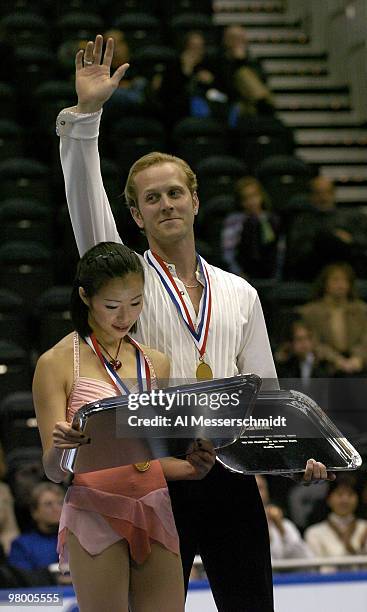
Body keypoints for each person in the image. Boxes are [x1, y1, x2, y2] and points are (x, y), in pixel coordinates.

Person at [56, 35, 335, 611]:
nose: (166, 205)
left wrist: (298, 451)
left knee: (252, 604)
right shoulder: (126, 278)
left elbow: (266, 393)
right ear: (135, 214)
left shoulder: (240, 293)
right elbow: (86, 208)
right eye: (151, 199)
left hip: (231, 470)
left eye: (175, 193)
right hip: (156, 469)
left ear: (196, 201)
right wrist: (86, 119)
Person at [33, 241, 215, 612]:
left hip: (153, 505)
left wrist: (191, 468)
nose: (125, 316)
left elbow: (143, 458)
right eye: (112, 306)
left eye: (136, 303)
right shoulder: (56, 362)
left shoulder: (155, 364)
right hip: (94, 508)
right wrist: (62, 448)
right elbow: (53, 471)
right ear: (85, 297)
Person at [285, 176, 367, 280]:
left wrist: (349, 239)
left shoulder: (352, 217)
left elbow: (363, 241)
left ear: (333, 194)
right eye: (318, 193)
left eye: (327, 192)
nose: (323, 197)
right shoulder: (302, 221)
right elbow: (298, 251)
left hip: (347, 264)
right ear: (311, 196)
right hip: (314, 268)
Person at [297, 263, 367, 375]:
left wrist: (358, 358)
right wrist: (335, 359)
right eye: (335, 280)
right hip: (324, 368)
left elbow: (365, 339)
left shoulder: (362, 310)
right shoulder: (310, 312)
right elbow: (312, 341)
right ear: (325, 283)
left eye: (345, 280)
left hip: (359, 367)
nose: (341, 285)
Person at [221, 176, 280, 278]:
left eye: (254, 196)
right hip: (242, 275)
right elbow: (228, 253)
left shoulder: (272, 219)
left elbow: (279, 251)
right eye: (246, 198)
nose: (252, 201)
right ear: (240, 202)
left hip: (270, 274)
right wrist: (238, 274)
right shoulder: (234, 221)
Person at [304, 476, 367, 559]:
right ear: (329, 499)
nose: (345, 500)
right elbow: (315, 569)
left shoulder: (364, 528)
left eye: (350, 494)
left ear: (357, 499)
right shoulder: (314, 532)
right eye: (339, 494)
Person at [8, 483, 63, 571]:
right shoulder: (22, 545)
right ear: (34, 512)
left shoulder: (77, 540)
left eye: (60, 503)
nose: (56, 508)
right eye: (48, 504)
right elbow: (22, 579)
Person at [256, 475, 312, 561]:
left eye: (260, 488)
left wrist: (280, 528)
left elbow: (304, 559)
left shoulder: (285, 525)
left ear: (267, 492)